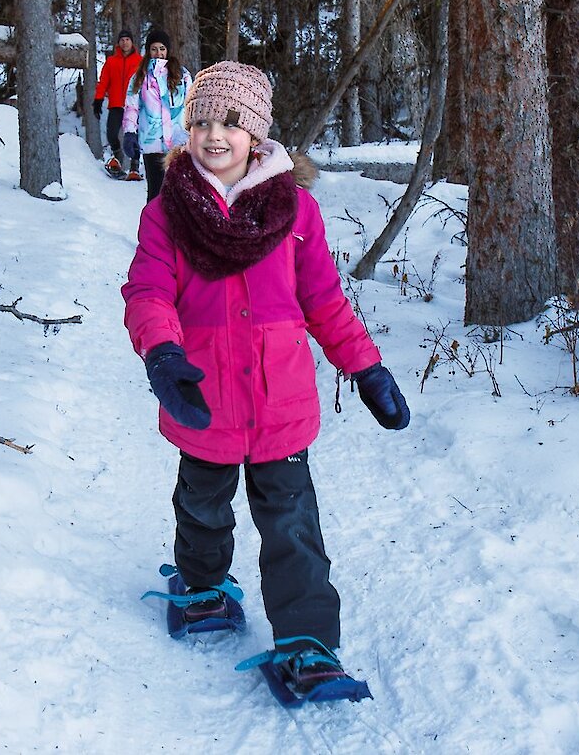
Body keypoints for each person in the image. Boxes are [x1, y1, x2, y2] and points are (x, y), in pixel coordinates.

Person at [120, 61, 412, 701]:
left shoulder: (297, 211)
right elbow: (147, 292)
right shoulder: (169, 214)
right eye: (199, 122)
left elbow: (325, 302)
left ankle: (308, 642)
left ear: (257, 134)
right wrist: (163, 354)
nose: (213, 135)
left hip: (280, 404)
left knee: (292, 526)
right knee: (201, 506)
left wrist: (365, 366)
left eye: (230, 122)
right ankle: (203, 584)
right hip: (203, 399)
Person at [120, 28, 189, 196]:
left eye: (162, 49)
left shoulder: (182, 75)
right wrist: (130, 133)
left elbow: (191, 105)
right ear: (148, 51)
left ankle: (174, 224)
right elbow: (132, 107)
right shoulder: (140, 77)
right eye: (154, 49)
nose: (158, 53)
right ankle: (151, 223)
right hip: (152, 142)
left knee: (177, 194)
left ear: (168, 50)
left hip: (178, 142)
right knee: (155, 193)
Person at [93, 30, 142, 176]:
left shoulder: (140, 61)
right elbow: (103, 82)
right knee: (111, 134)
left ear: (132, 42)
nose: (125, 42)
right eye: (122, 40)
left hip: (134, 106)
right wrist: (98, 99)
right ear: (118, 43)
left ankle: (134, 166)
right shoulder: (111, 61)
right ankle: (118, 158)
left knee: (135, 136)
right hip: (116, 104)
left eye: (127, 39)